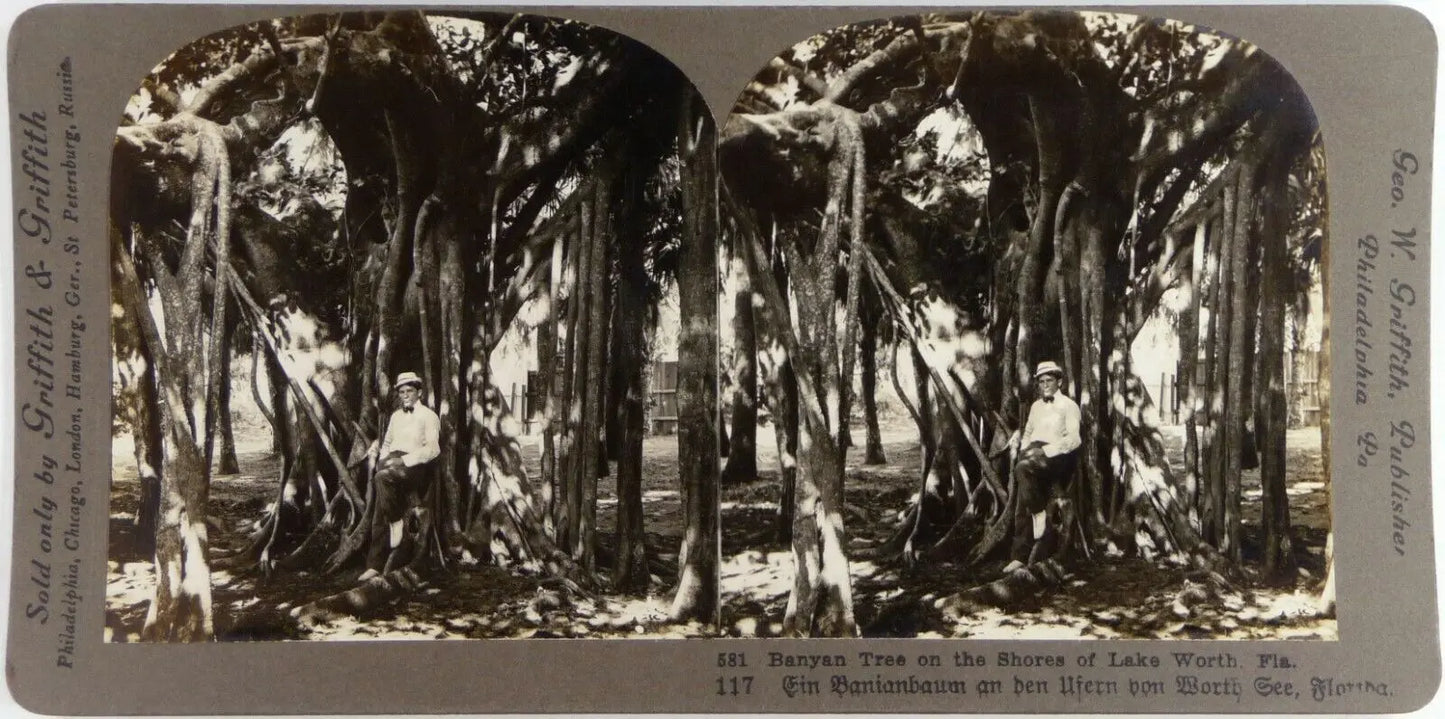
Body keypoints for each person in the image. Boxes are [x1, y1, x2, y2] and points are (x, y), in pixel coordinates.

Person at [360, 371, 440, 580]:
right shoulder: (395, 416)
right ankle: (375, 564)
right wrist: (384, 459)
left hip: (415, 466)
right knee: (378, 508)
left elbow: (433, 449)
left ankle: (396, 523)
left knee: (381, 479)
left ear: (419, 392)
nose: (405, 395)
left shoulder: (429, 416)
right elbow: (387, 443)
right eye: (402, 392)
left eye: (410, 391)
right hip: (393, 465)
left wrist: (403, 461)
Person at [1003, 360, 1081, 574]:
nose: (1045, 385)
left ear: (1060, 382)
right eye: (1041, 381)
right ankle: (1019, 556)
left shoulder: (1069, 406)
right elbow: (1028, 432)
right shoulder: (1036, 407)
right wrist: (1026, 450)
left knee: (1021, 470)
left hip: (1057, 455)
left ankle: (1039, 514)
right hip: (1033, 457)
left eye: (1050, 380)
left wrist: (1045, 452)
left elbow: (1075, 439)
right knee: (1020, 503)